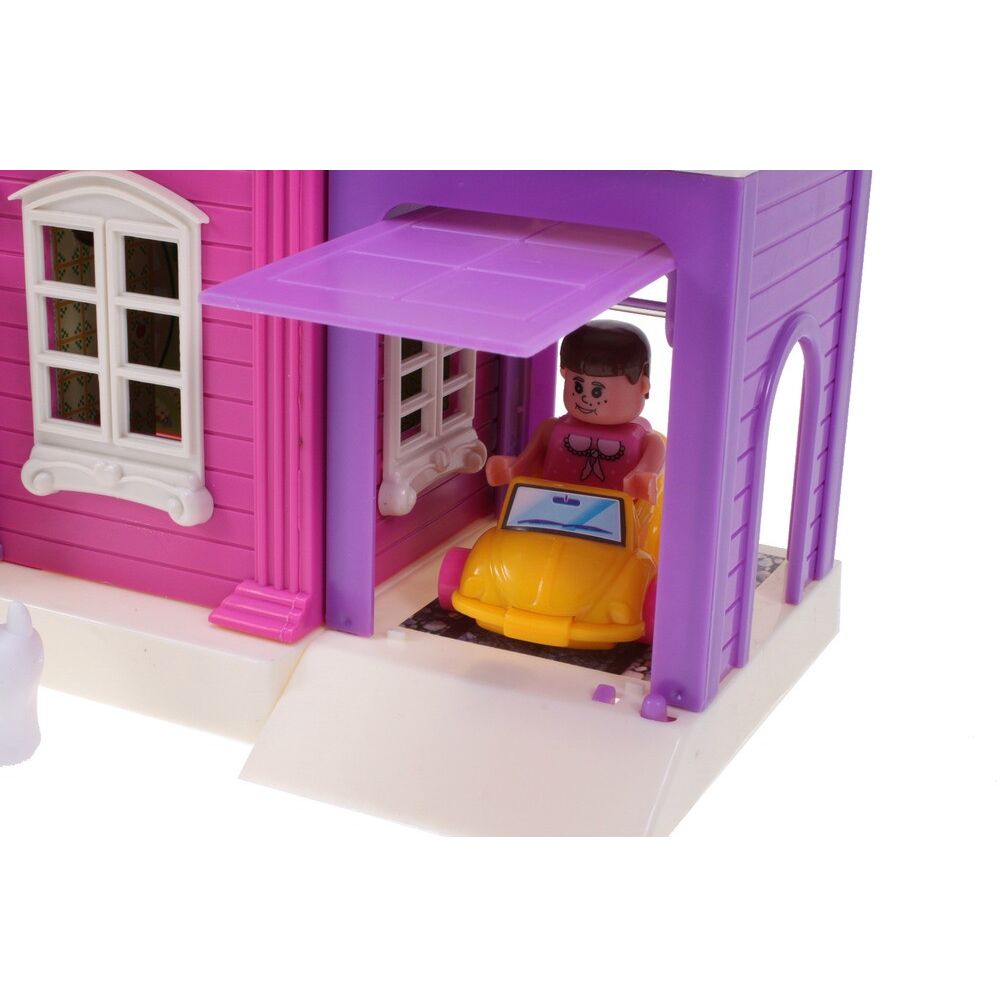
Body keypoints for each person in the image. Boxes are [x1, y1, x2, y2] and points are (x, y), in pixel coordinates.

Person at [486, 320, 666, 503]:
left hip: (619, 511)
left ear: (642, 386)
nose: (585, 398)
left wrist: (641, 479)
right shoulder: (551, 429)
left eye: (597, 392)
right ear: (565, 374)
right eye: (578, 387)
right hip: (554, 503)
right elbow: (532, 455)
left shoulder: (647, 440)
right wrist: (515, 468)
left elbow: (649, 466)